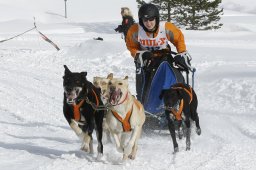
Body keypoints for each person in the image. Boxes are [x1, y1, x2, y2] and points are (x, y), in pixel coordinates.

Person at [125, 3, 193, 113]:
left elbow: (178, 39)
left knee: (172, 75)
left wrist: (182, 53)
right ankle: (146, 107)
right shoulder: (135, 30)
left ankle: (175, 103)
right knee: (143, 82)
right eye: (145, 20)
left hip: (164, 57)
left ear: (156, 18)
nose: (148, 23)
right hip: (146, 60)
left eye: (151, 19)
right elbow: (131, 46)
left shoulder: (166, 27)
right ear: (141, 20)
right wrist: (139, 54)